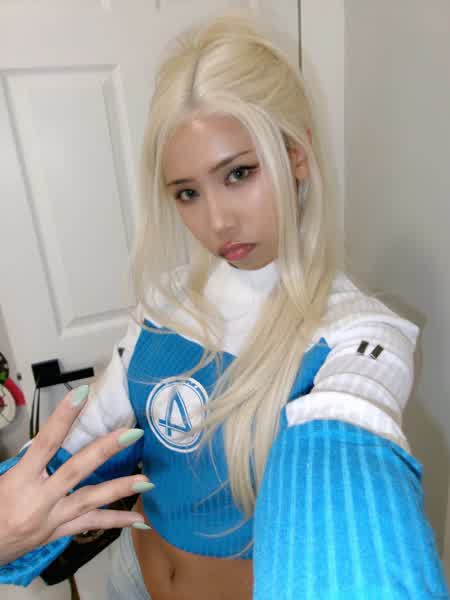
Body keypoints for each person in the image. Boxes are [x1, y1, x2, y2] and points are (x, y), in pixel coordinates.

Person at [0, 12, 449, 600]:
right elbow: (87, 432)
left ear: (297, 155)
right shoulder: (164, 301)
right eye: (188, 192)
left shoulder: (357, 333)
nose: (216, 222)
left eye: (238, 174)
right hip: (132, 576)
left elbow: (348, 454)